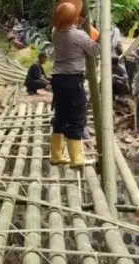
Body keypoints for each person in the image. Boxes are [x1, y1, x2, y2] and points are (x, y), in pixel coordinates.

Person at [49, 0, 99, 167]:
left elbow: (67, 27)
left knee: (60, 115)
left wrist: (77, 22)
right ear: (75, 19)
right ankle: (76, 159)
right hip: (72, 79)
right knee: (77, 115)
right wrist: (99, 37)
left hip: (57, 79)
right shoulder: (79, 36)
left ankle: (56, 155)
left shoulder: (55, 31)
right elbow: (94, 50)